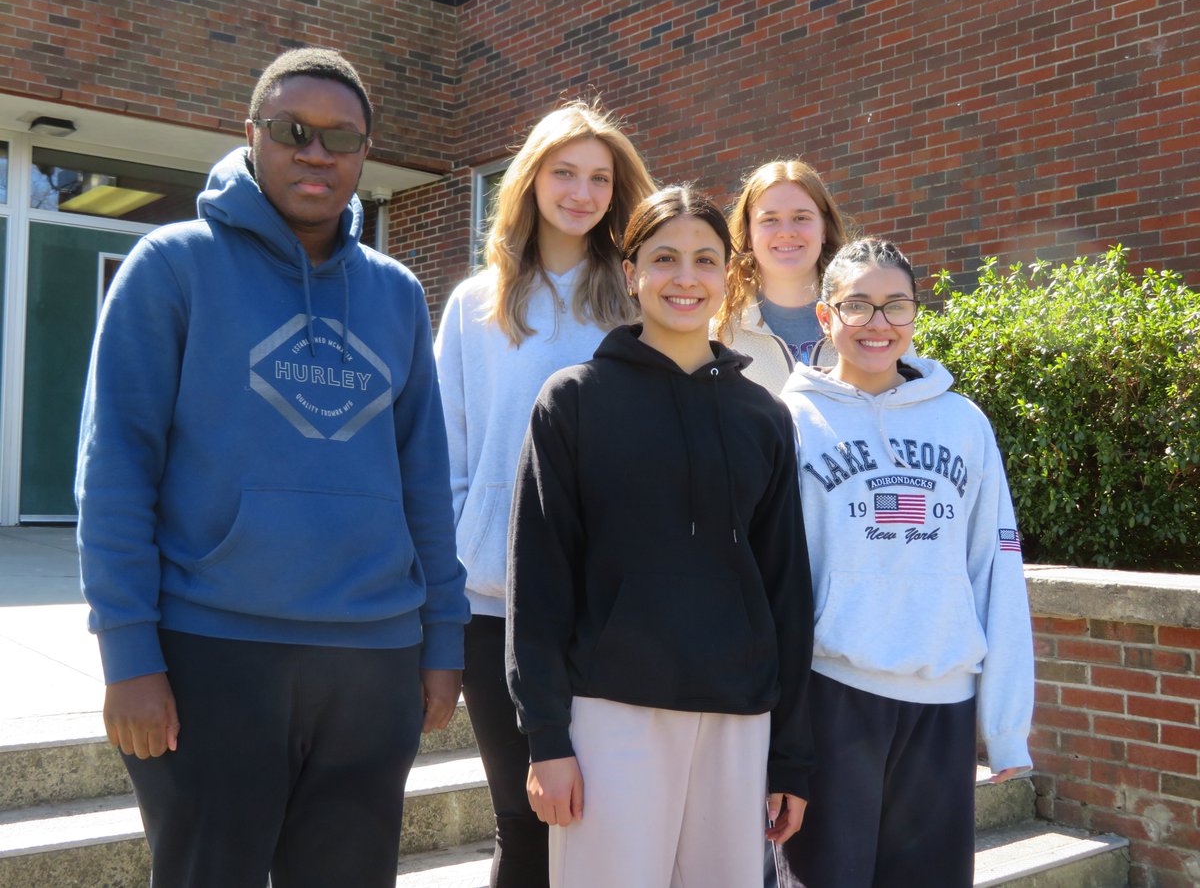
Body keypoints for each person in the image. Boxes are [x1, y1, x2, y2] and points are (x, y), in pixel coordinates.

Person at [75, 48, 468, 888]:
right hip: (213, 648)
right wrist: (128, 652)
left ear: (364, 153)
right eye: (293, 132)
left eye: (340, 138)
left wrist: (443, 635)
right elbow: (116, 471)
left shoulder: (396, 293)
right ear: (251, 136)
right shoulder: (172, 267)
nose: (316, 153)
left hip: (373, 658)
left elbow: (425, 481)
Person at [506, 185, 815, 888]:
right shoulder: (573, 401)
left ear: (728, 276)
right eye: (664, 258)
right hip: (610, 717)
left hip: (738, 722)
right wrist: (546, 739)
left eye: (706, 260)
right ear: (629, 272)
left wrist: (792, 755)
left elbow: (787, 590)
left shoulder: (763, 416)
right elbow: (541, 580)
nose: (685, 277)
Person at [433, 99, 655, 888]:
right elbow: (447, 458)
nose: (582, 192)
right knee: (524, 822)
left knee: (604, 821)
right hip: (493, 606)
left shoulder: (635, 303)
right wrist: (443, 593)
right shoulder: (473, 302)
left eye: (600, 177)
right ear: (530, 180)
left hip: (608, 611)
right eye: (564, 172)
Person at [775, 238, 1034, 887]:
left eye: (896, 306)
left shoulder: (963, 422)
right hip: (830, 698)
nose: (878, 323)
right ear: (826, 317)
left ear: (916, 316)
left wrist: (1005, 723)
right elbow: (774, 584)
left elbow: (994, 569)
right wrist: (779, 741)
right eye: (857, 305)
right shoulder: (791, 419)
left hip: (941, 705)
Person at [713, 160, 851, 392]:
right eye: (770, 220)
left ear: (824, 229)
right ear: (748, 234)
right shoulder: (718, 334)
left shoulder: (870, 317)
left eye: (801, 217)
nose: (786, 232)